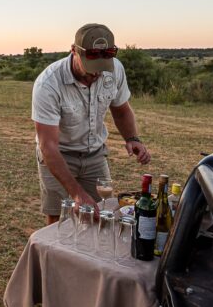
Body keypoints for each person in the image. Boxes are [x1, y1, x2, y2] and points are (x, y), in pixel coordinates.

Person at [31, 23, 151, 225]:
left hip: (95, 154)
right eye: (90, 67)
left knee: (101, 213)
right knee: (60, 217)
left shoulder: (115, 70)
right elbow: (48, 146)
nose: (95, 74)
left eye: (101, 68)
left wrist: (132, 138)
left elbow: (121, 109)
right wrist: (77, 194)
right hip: (59, 153)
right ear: (74, 51)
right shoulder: (48, 84)